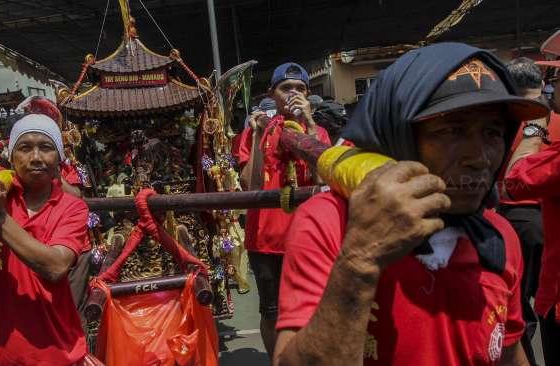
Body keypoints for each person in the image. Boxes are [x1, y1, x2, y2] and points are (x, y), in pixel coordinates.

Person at [273, 43, 549, 365]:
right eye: (453, 130)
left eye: (492, 132)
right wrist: (361, 261)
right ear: (399, 133)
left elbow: (508, 351)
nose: (480, 158)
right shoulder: (330, 223)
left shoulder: (497, 237)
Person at [0, 113, 89, 365]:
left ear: (59, 159)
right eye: (24, 148)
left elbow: (55, 267)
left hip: (56, 353)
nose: (35, 158)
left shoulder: (71, 208)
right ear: (10, 157)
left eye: (45, 148)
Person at [235, 62, 330, 358]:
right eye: (286, 88)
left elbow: (325, 180)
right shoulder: (255, 133)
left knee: (314, 309)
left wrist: (311, 125)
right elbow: (250, 185)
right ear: (271, 94)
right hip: (266, 241)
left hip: (309, 238)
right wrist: (257, 136)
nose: (293, 94)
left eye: (300, 88)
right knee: (271, 312)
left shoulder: (320, 133)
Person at [504, 57, 560, 365]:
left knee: (518, 303)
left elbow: (514, 179)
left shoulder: (515, 122)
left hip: (518, 223)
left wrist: (534, 128)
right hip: (542, 224)